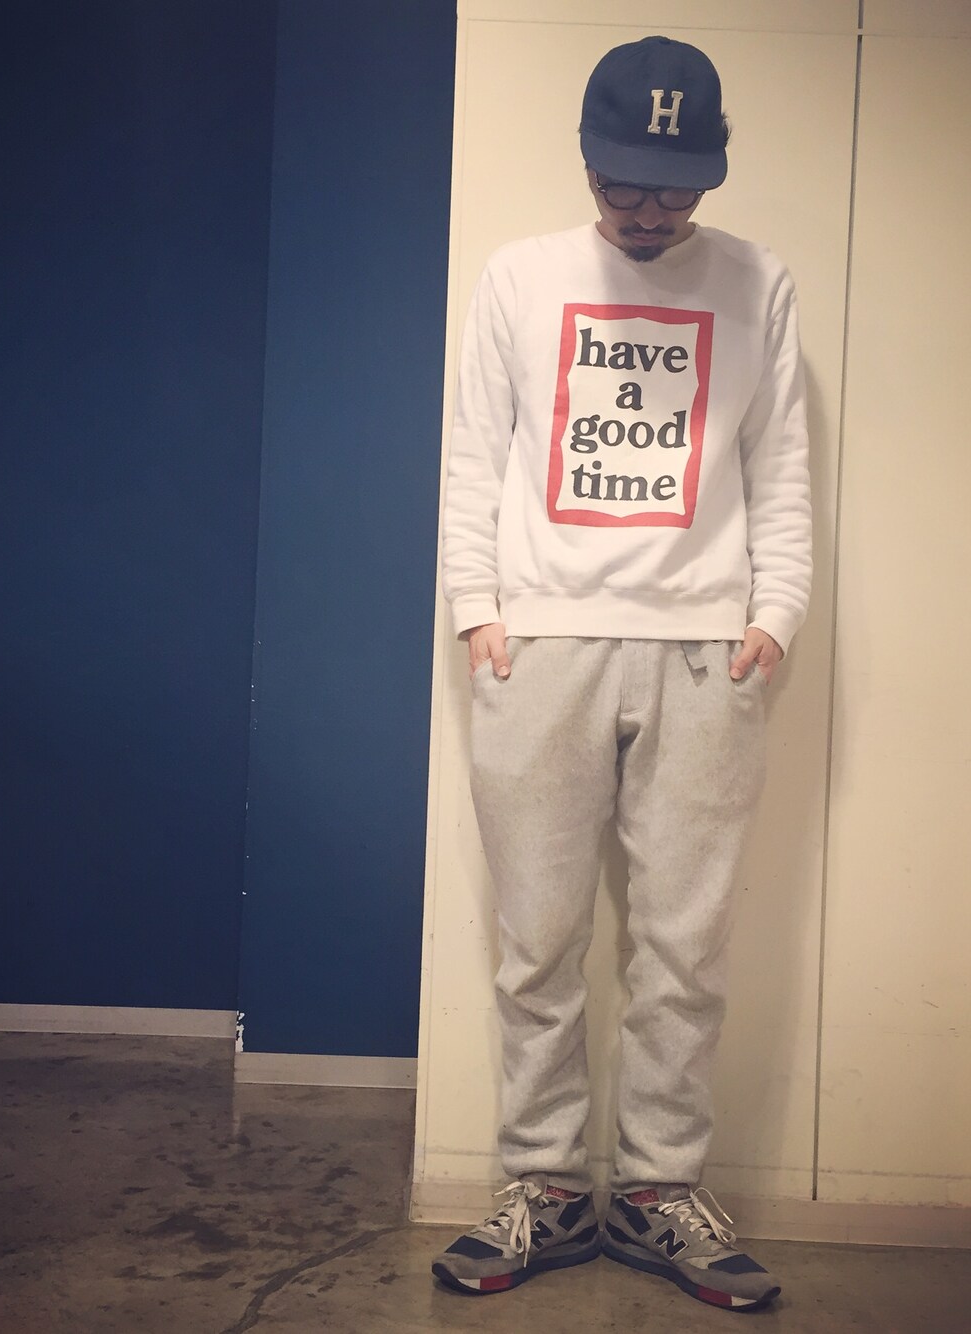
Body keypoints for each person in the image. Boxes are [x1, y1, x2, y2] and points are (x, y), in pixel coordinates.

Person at [431, 36, 811, 1313]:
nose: (650, 209)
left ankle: (657, 1192)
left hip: (708, 647)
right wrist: (478, 610)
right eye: (625, 182)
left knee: (683, 947)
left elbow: (780, 460)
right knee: (536, 941)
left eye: (676, 184)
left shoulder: (756, 280)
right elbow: (474, 451)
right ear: (587, 161)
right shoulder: (520, 274)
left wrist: (777, 613)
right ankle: (544, 1186)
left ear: (712, 165)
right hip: (539, 641)